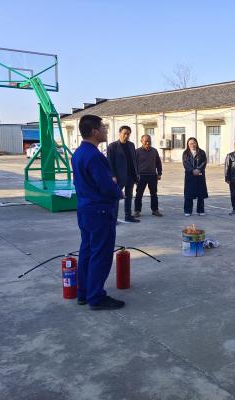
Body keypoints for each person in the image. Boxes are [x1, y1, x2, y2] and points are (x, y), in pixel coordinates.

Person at [71, 115, 125, 310]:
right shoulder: (94, 156)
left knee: (87, 251)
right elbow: (106, 186)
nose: (105, 130)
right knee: (101, 254)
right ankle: (96, 297)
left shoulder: (79, 153)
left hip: (85, 208)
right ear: (94, 131)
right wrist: (118, 191)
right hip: (99, 210)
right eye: (103, 127)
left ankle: (83, 292)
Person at [107, 125, 139, 223]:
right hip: (119, 176)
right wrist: (113, 176)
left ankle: (128, 216)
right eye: (124, 133)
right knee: (116, 197)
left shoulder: (131, 145)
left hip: (130, 175)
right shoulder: (112, 146)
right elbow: (110, 162)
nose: (126, 136)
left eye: (128, 134)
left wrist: (137, 173)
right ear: (120, 133)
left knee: (129, 196)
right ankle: (114, 218)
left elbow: (134, 160)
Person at [134, 134, 163, 217]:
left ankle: (155, 210)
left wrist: (159, 173)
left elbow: (158, 163)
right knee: (139, 194)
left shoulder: (154, 151)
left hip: (152, 175)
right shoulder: (137, 151)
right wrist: (135, 175)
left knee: (154, 194)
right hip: (141, 176)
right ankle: (137, 211)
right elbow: (134, 165)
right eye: (145, 141)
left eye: (149, 141)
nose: (147, 143)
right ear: (141, 141)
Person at [182, 137, 208, 216]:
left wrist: (199, 169)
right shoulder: (185, 153)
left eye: (194, 143)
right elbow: (185, 163)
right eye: (190, 143)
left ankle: (200, 210)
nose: (192, 145)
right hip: (189, 176)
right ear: (188, 144)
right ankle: (188, 211)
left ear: (196, 143)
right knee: (189, 193)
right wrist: (192, 170)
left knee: (200, 193)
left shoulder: (201, 152)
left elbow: (204, 162)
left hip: (200, 175)